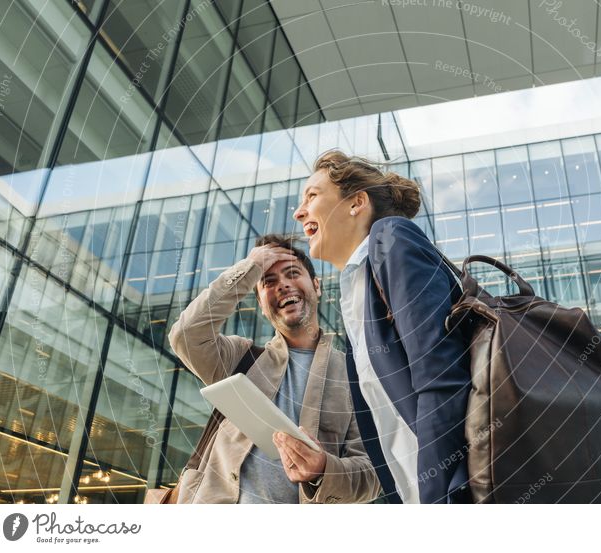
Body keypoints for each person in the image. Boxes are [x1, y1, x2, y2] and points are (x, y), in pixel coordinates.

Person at [293, 150, 472, 504]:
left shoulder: (392, 238)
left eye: (311, 196)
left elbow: (441, 380)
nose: (299, 212)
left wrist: (438, 502)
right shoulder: (357, 289)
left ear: (356, 202)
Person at [168, 234, 381, 504]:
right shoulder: (240, 358)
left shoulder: (354, 375)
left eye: (293, 274)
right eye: (269, 281)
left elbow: (372, 475)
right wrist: (250, 268)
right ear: (262, 306)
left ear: (316, 286)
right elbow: (186, 335)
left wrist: (323, 469)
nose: (283, 285)